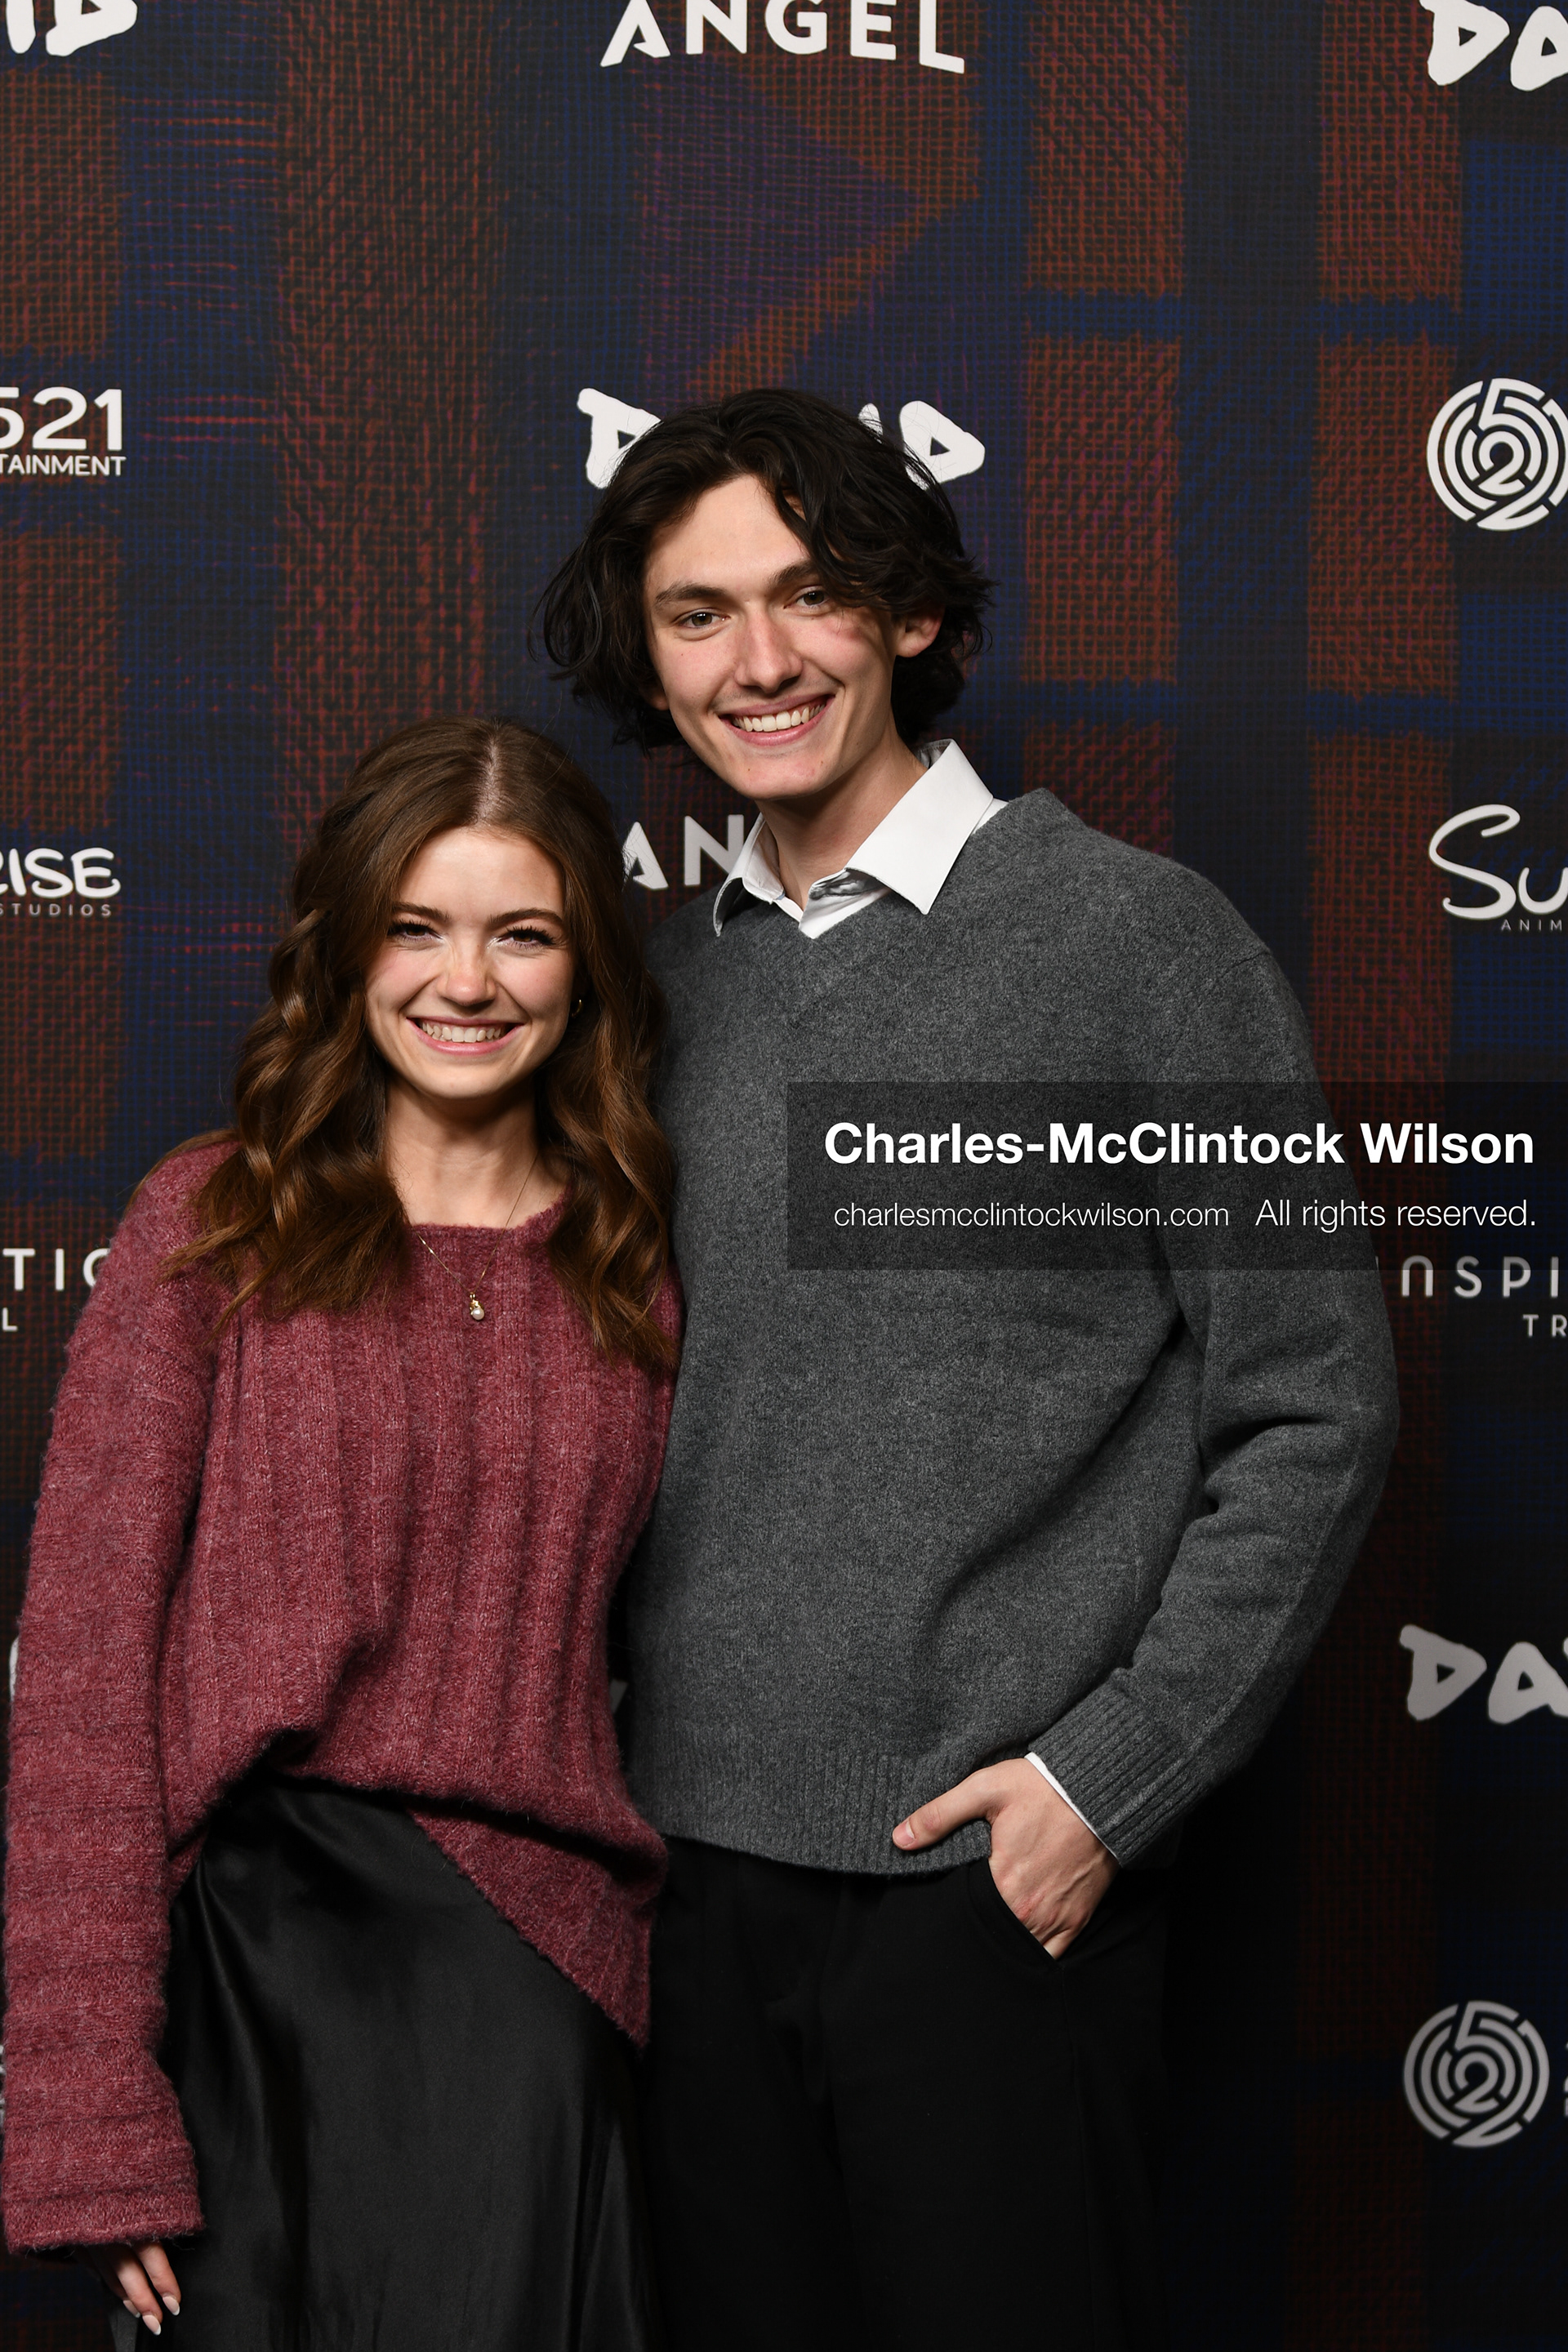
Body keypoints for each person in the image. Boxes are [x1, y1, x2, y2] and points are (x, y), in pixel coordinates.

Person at [539, 388, 1400, 2351]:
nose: (760, 662)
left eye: (812, 594)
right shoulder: (661, 992)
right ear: (646, 658)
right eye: (697, 615)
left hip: (981, 1895)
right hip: (683, 1883)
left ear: (912, 614)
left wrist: (1105, 1783)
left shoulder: (1139, 943)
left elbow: (1315, 1399)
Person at [2, 718, 679, 2351]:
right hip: (242, 1974)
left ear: (585, 966)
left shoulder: (642, 1264)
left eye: (523, 932)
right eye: (416, 926)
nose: (468, 981)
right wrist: (87, 2100)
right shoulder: (214, 1223)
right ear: (348, 948)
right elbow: (86, 1681)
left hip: (526, 1983)